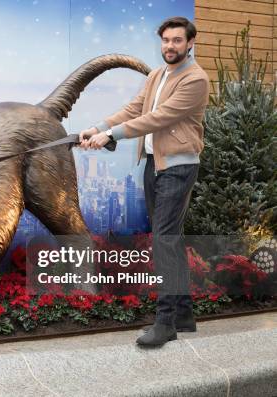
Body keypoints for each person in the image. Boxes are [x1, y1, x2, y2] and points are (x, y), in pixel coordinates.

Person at [79, 16, 210, 346]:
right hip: (155, 163)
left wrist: (111, 135)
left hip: (178, 166)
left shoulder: (195, 79)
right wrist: (98, 127)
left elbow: (158, 117)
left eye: (177, 40)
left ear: (190, 42)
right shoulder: (157, 74)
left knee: (164, 240)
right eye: (166, 40)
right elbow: (135, 107)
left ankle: (165, 323)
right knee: (170, 238)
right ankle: (183, 314)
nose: (170, 46)